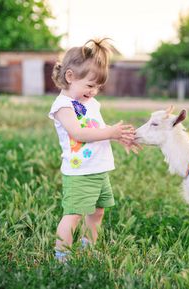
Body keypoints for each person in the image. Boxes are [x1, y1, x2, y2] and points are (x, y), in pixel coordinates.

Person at [49, 38, 140, 262]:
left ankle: (88, 246)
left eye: (98, 86)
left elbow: (98, 130)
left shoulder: (90, 103)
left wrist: (119, 137)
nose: (95, 91)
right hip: (80, 172)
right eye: (90, 85)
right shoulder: (63, 106)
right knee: (73, 215)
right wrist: (111, 132)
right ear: (70, 77)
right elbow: (79, 134)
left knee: (98, 211)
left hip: (98, 169)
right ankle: (62, 256)